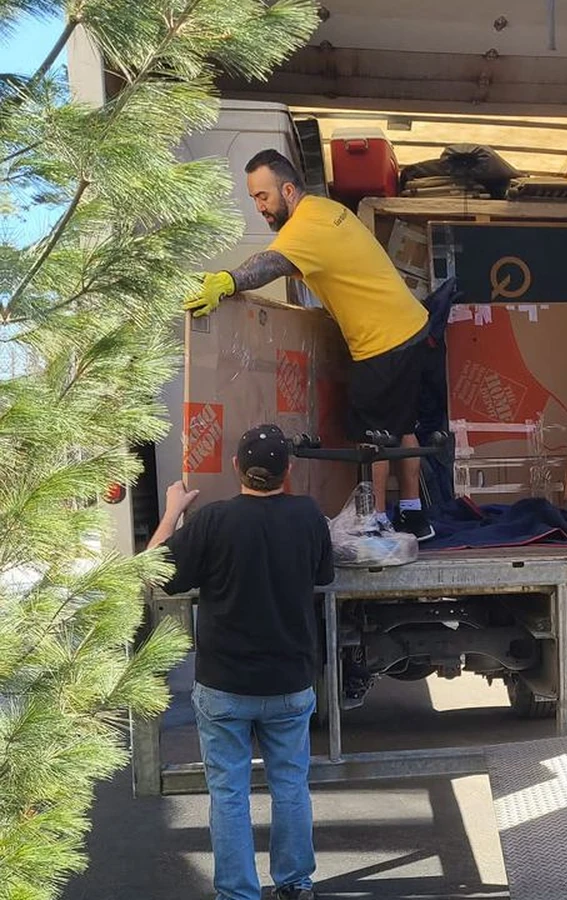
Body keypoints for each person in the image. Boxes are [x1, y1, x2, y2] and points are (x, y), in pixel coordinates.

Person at [185, 149, 435, 541]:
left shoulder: (304, 227)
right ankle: (414, 516)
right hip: (411, 325)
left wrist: (228, 281)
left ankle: (374, 524)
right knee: (402, 426)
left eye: (263, 196)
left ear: (288, 190)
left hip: (382, 340)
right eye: (254, 198)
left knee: (374, 437)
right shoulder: (325, 209)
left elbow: (269, 264)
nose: (260, 207)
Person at [149, 424, 335, 900]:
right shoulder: (308, 516)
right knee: (290, 785)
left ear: (236, 467)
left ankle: (238, 893)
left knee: (229, 793)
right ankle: (295, 884)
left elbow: (152, 571)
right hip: (289, 682)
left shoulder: (213, 521)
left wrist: (172, 511)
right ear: (287, 472)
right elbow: (324, 575)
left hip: (225, 686)